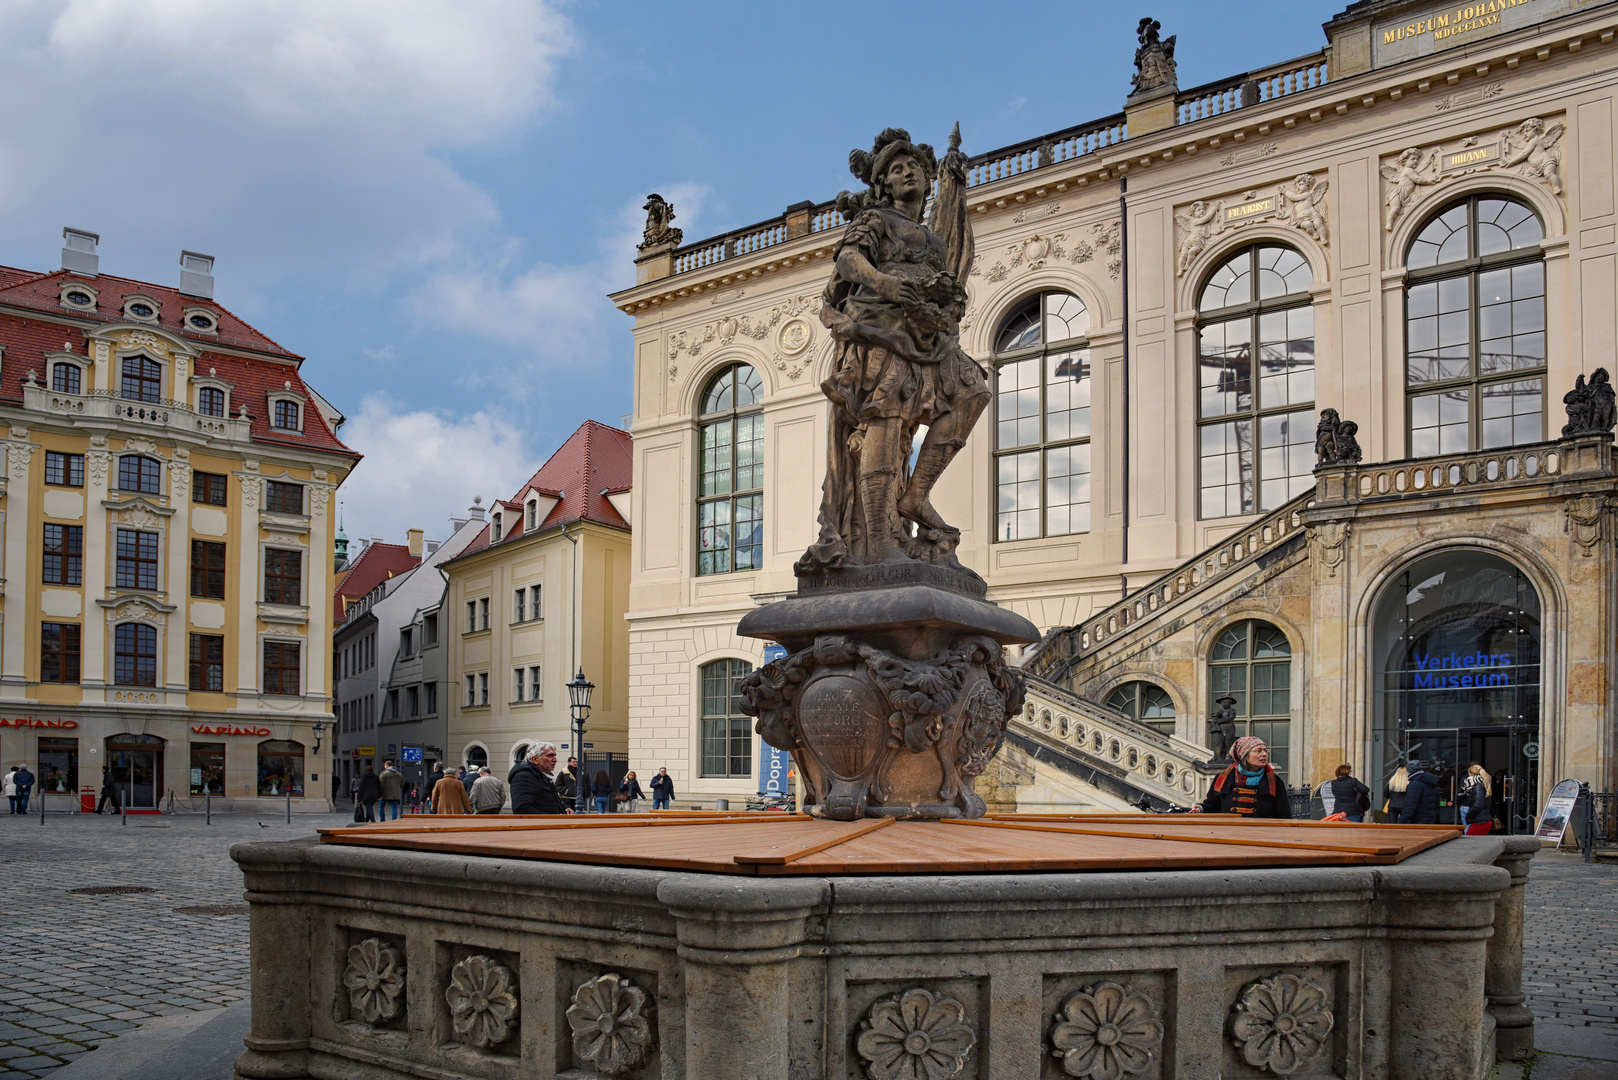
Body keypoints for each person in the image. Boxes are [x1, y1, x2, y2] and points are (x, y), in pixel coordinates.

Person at [1190, 737, 1292, 817]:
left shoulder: (1274, 781)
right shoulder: (1223, 778)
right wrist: (1200, 808)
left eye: (1265, 751)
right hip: (1230, 834)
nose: (1264, 754)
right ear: (1244, 754)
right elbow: (1212, 806)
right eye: (1258, 751)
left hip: (1262, 835)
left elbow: (1284, 815)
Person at [508, 743, 571, 815]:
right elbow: (521, 808)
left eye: (555, 755)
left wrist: (564, 808)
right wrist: (549, 819)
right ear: (535, 759)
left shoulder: (545, 775)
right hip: (537, 825)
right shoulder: (524, 776)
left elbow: (550, 800)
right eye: (550, 755)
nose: (555, 760)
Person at [1398, 759, 1442, 824]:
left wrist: (1401, 820)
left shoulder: (1415, 784)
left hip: (1417, 819)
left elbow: (1411, 805)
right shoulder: (1430, 782)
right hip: (1430, 817)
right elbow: (1436, 802)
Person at [1458, 762, 1492, 830]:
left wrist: (1468, 815)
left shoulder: (1477, 785)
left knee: (1469, 835)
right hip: (1483, 817)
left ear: (1471, 774)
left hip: (1478, 817)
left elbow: (1478, 804)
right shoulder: (1484, 782)